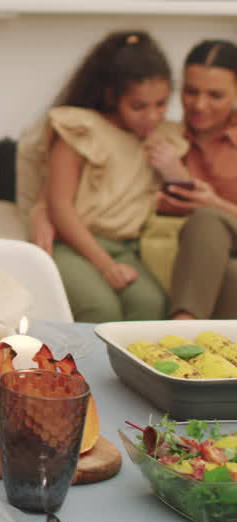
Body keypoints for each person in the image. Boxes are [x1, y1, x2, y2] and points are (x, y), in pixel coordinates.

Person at [40, 30, 186, 323]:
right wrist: (105, 265)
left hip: (127, 248)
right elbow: (59, 205)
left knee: (150, 303)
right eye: (138, 106)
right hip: (74, 244)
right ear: (112, 97)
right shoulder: (81, 130)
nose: (152, 116)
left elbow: (190, 198)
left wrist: (173, 170)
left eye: (161, 104)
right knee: (100, 308)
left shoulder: (164, 138)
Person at [146, 39, 237, 319]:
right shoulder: (163, 136)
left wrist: (213, 204)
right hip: (193, 248)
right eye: (190, 91)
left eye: (215, 95)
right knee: (232, 274)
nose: (199, 105)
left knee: (207, 218)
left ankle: (182, 326)